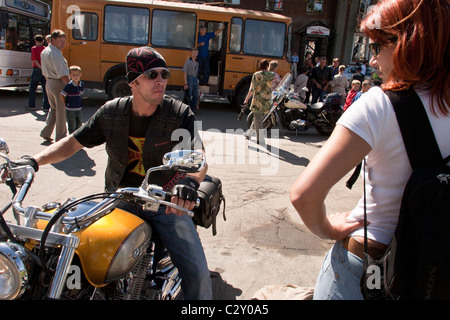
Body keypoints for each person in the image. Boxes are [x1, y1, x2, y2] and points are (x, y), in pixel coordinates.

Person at [16, 46, 212, 300]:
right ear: (133, 81)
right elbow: (72, 143)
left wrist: (188, 182)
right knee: (71, 241)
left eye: (164, 74)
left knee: (196, 271)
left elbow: (200, 158)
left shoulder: (179, 113)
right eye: (152, 75)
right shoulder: (111, 112)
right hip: (119, 198)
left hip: (166, 202)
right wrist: (33, 160)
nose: (161, 81)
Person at [290, 0, 449, 300]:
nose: (373, 61)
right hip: (436, 273)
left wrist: (328, 228)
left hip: (368, 270)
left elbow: (304, 195)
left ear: (409, 42)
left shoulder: (381, 105)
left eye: (377, 47)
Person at [40, 30, 70, 142]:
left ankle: (46, 132)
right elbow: (62, 74)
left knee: (53, 109)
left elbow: (44, 71)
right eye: (60, 40)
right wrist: (71, 87)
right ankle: (61, 137)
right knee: (61, 111)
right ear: (53, 40)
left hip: (49, 82)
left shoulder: (46, 51)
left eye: (64, 41)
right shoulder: (56, 54)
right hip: (58, 83)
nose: (63, 43)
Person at [243, 59, 273, 145]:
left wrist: (246, 99)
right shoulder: (271, 75)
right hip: (267, 99)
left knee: (258, 119)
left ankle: (260, 139)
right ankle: (249, 133)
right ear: (267, 66)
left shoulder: (256, 74)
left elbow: (252, 89)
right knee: (258, 118)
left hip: (258, 100)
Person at [27, 34, 50, 112]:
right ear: (43, 41)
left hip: (37, 69)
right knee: (45, 89)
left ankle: (31, 105)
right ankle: (46, 106)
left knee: (32, 88)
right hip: (45, 70)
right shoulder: (45, 49)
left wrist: (41, 68)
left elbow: (35, 60)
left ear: (35, 41)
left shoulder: (34, 49)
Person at [61, 66, 84, 134]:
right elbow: (62, 95)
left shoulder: (81, 84)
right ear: (70, 75)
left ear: (80, 74)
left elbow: (81, 93)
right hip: (70, 109)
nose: (75, 76)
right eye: (73, 75)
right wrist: (65, 103)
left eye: (77, 74)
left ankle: (77, 138)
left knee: (79, 124)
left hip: (78, 108)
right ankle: (71, 139)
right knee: (72, 125)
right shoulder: (69, 86)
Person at [182, 47, 199, 112]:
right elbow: (185, 73)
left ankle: (192, 109)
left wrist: (197, 81)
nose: (195, 54)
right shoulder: (188, 62)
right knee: (189, 95)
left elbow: (196, 73)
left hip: (195, 79)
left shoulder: (197, 62)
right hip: (189, 78)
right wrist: (186, 83)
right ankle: (188, 111)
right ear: (191, 53)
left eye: (196, 53)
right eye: (194, 53)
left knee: (195, 96)